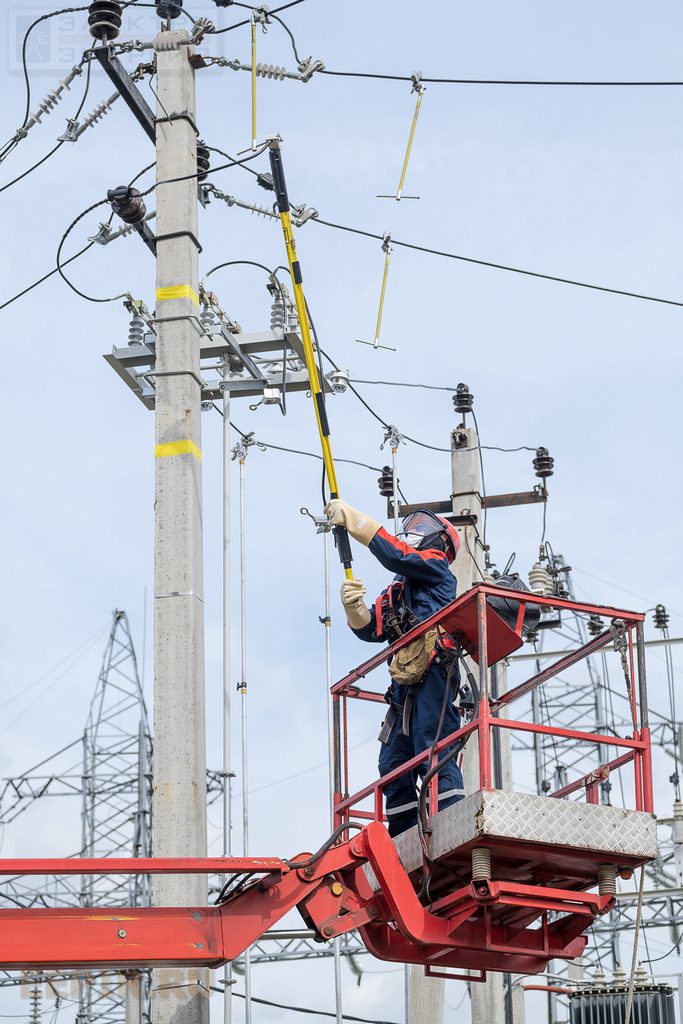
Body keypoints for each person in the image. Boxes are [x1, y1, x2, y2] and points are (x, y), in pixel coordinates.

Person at [324, 499, 465, 837]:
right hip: (403, 685)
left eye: (422, 529)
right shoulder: (397, 592)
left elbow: (396, 554)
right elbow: (370, 629)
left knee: (433, 747)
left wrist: (357, 522)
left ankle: (452, 822)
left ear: (441, 542)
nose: (414, 534)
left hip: (434, 674)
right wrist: (353, 608)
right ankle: (404, 834)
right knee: (393, 761)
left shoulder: (436, 568)